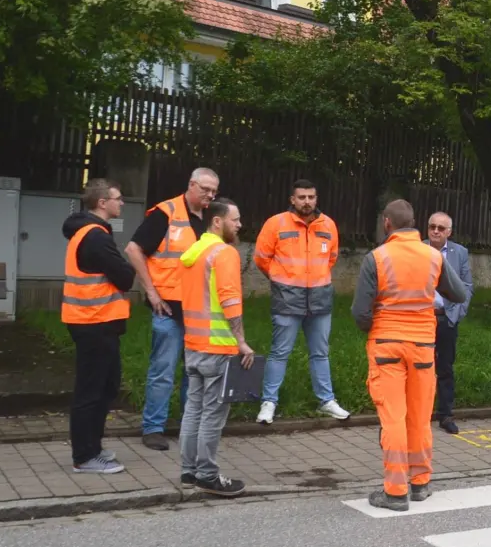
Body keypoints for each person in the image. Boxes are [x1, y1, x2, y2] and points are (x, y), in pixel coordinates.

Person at [351, 200, 469, 511]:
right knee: (419, 417)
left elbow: (360, 313)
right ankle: (420, 484)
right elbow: (459, 294)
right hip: (423, 347)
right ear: (414, 223)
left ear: (387, 223)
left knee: (393, 418)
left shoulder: (376, 258)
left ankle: (394, 492)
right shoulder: (433, 256)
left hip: (387, 345)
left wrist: (376, 325)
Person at [123, 167, 219, 451]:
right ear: (191, 185)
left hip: (199, 308)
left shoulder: (211, 219)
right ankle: (153, 428)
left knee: (195, 371)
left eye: (214, 191)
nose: (210, 195)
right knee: (163, 370)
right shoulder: (166, 213)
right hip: (168, 306)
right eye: (205, 190)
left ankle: (189, 426)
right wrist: (151, 292)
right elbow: (133, 249)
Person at [252, 179, 348, 423]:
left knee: (320, 353)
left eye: (311, 197)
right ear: (292, 200)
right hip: (287, 299)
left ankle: (326, 401)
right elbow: (262, 258)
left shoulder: (328, 225)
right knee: (279, 352)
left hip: (320, 298)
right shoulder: (276, 224)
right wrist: (280, 278)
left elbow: (332, 257)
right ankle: (269, 402)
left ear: (316, 199)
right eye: (302, 197)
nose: (307, 202)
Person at [178, 198, 253, 497]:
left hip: (193, 344)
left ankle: (189, 470)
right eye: (235, 219)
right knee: (211, 414)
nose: (239, 224)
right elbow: (230, 299)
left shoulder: (194, 253)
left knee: (192, 410)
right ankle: (207, 475)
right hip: (217, 347)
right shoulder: (224, 253)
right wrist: (242, 342)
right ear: (218, 221)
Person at [61, 179, 136, 473]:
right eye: (118, 199)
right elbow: (125, 276)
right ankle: (85, 456)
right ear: (102, 203)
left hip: (98, 322)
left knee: (106, 386)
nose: (122, 203)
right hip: (93, 323)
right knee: (90, 391)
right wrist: (126, 267)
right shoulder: (94, 237)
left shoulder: (91, 232)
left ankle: (94, 446)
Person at [424, 211, 472, 435]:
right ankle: (419, 414)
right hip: (421, 317)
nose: (435, 231)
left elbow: (466, 285)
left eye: (441, 228)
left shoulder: (459, 252)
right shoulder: (417, 249)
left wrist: (458, 314)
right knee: (420, 368)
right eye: (432, 226)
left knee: (445, 368)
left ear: (449, 232)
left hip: (447, 317)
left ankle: (445, 414)